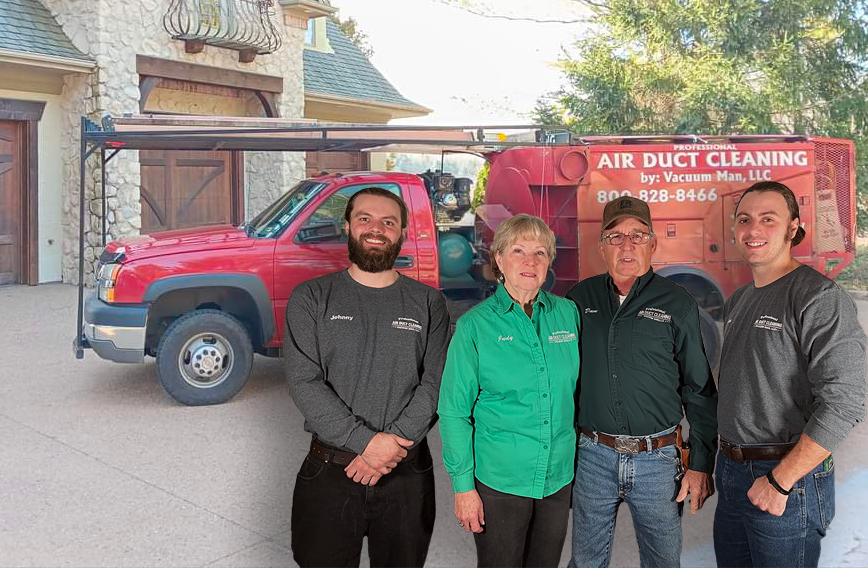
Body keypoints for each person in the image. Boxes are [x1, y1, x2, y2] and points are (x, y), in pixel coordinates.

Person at [284, 187, 450, 568]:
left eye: (388, 222)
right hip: (330, 473)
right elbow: (304, 382)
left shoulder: (429, 303)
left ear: (403, 233)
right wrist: (367, 443)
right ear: (347, 227)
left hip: (406, 474)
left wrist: (386, 450)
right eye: (365, 219)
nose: (377, 229)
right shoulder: (311, 297)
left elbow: (436, 382)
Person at [713, 180, 867, 567]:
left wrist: (781, 480)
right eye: (744, 219)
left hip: (785, 478)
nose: (754, 230)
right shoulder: (739, 300)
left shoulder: (817, 297)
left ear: (793, 227)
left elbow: (845, 400)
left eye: (769, 218)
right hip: (730, 472)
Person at [566, 196, 718, 568]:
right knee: (585, 563)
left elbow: (699, 389)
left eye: (638, 235)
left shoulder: (676, 302)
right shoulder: (577, 299)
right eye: (615, 237)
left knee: (663, 562)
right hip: (592, 456)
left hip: (659, 461)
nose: (627, 245)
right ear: (601, 246)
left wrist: (700, 463)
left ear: (653, 243)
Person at [438, 213, 581, 568]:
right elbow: (454, 412)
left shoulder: (568, 315)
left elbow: (578, 395)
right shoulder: (475, 326)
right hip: (501, 481)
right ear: (499, 260)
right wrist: (463, 488)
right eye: (518, 251)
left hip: (558, 477)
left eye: (540, 253)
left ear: (549, 262)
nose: (530, 262)